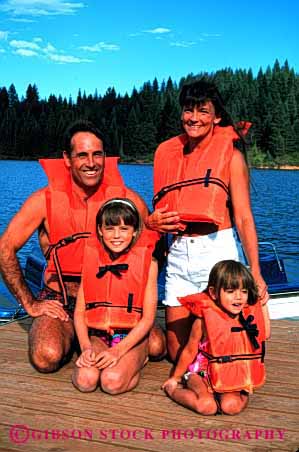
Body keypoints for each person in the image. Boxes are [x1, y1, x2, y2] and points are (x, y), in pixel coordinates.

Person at [0, 119, 165, 373]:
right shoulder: (43, 200)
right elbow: (5, 248)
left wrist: (136, 296)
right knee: (46, 355)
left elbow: (154, 247)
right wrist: (30, 303)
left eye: (97, 154)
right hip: (62, 301)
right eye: (82, 155)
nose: (91, 163)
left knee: (156, 346)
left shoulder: (128, 199)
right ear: (67, 159)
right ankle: (76, 338)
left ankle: (96, 342)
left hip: (113, 300)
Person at [146, 80, 269, 362]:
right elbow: (157, 213)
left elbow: (244, 218)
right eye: (189, 110)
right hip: (178, 254)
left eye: (203, 111)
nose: (194, 118)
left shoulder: (232, 157)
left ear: (216, 117)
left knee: (217, 344)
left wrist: (256, 271)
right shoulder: (167, 153)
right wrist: (152, 223)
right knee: (178, 354)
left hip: (216, 251)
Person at [162, 260, 271, 415]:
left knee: (231, 407)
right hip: (202, 373)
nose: (238, 297)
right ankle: (172, 391)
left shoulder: (247, 317)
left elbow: (265, 334)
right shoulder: (203, 320)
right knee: (207, 406)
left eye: (244, 291)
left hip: (232, 372)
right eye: (230, 291)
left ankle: (243, 391)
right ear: (213, 293)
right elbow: (190, 350)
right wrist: (175, 377)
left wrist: (262, 306)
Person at [73, 198, 158, 394]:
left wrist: (118, 351)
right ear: (100, 231)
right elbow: (79, 313)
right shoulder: (91, 261)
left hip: (131, 336)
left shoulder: (149, 264)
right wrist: (86, 347)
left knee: (111, 382)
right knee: (86, 380)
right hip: (99, 335)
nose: (117, 236)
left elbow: (147, 319)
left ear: (135, 231)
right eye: (110, 229)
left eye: (124, 229)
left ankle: (139, 358)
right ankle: (98, 360)